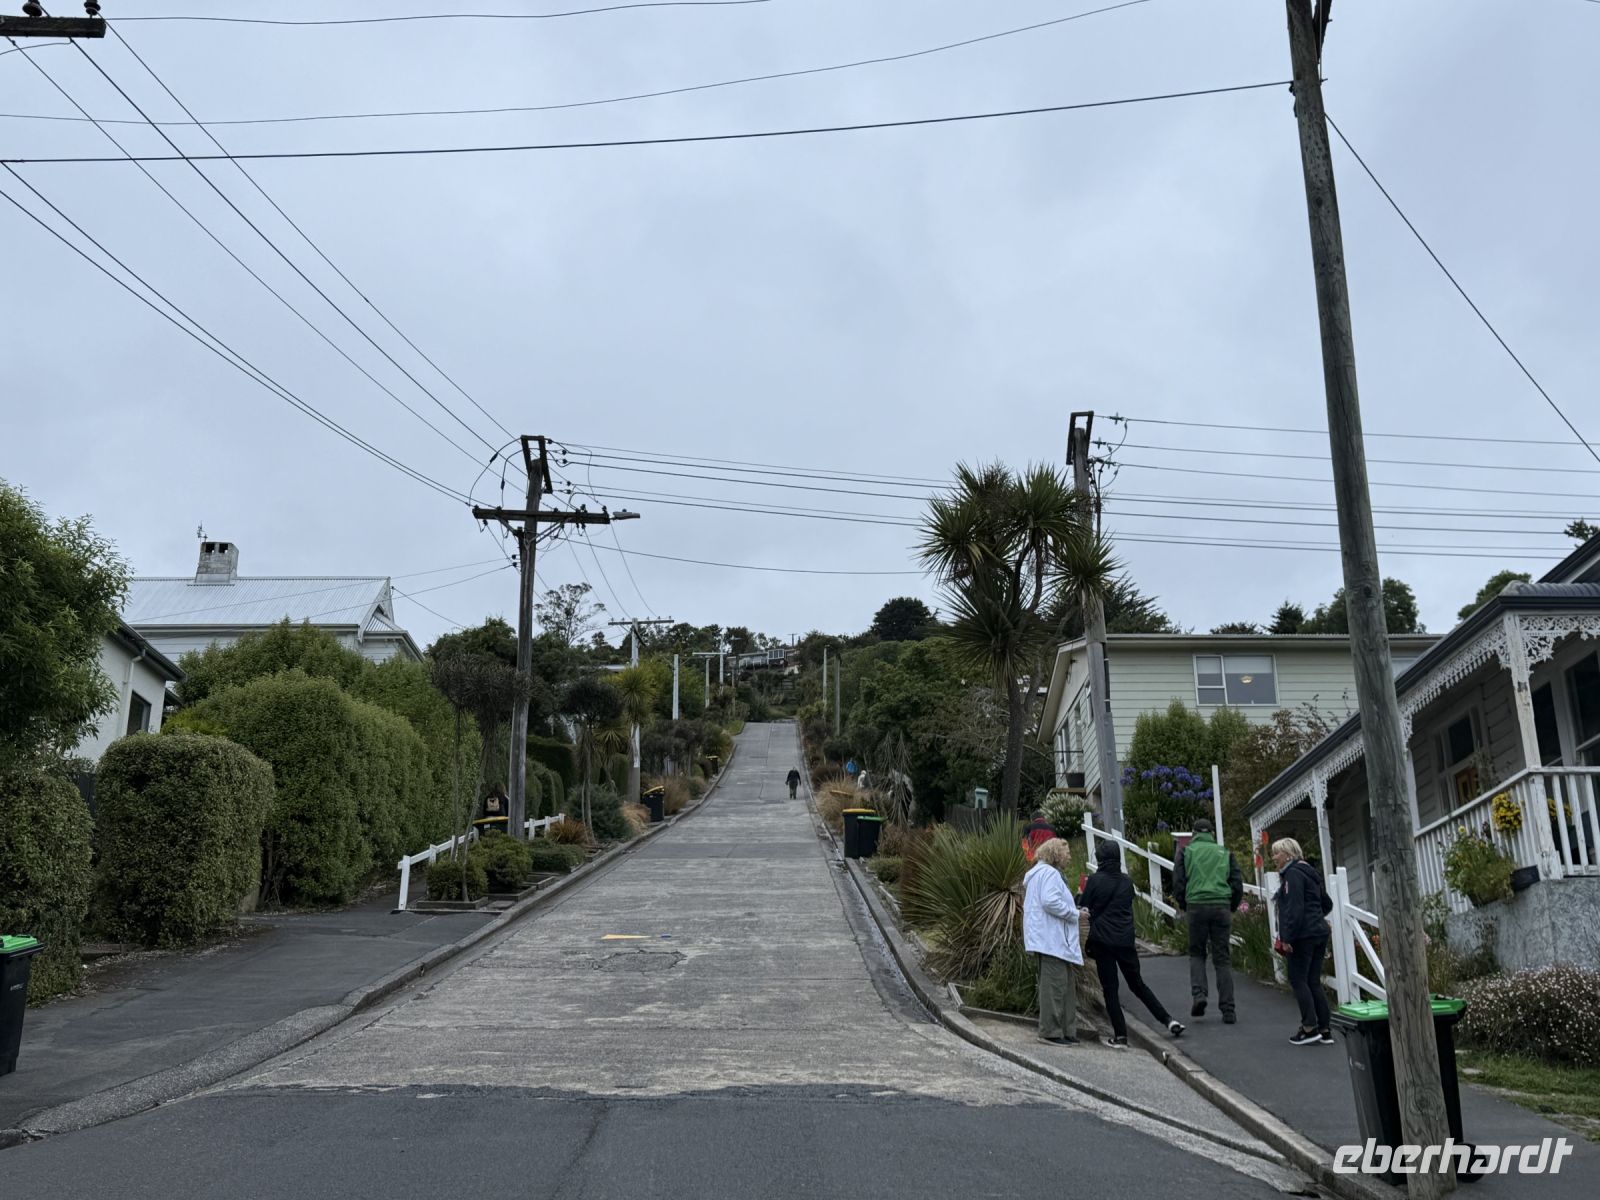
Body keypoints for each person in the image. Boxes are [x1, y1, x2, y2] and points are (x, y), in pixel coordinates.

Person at [1078, 839, 1186, 1048]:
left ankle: (1121, 1036)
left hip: (1103, 942)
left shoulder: (1095, 881)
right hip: (1125, 940)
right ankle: (1168, 1020)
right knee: (1137, 984)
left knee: (1110, 989)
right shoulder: (1127, 882)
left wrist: (1080, 896)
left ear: (1100, 858)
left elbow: (1084, 907)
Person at [1172, 817, 1243, 1023]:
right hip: (1221, 906)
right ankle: (1228, 1009)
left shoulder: (1186, 852)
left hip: (1196, 906)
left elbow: (1179, 881)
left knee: (1197, 953)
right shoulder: (1225, 853)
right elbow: (1236, 882)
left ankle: (1199, 995)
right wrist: (1232, 906)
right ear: (1212, 834)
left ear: (1194, 834)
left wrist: (1184, 904)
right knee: (1222, 958)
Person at [1272, 837, 1334, 1046]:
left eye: (1277, 853)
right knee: (1313, 980)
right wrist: (1316, 917)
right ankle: (1324, 1028)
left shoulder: (1293, 875)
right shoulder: (1310, 873)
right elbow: (1327, 903)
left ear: (1288, 854)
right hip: (1319, 932)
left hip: (1303, 935)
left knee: (1298, 979)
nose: (1274, 858)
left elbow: (1294, 908)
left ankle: (1309, 1027)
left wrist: (1288, 937)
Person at [1023, 838, 1082, 1045]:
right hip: (1051, 940)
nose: (1069, 857)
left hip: (1050, 940)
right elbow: (1050, 901)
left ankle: (1065, 1030)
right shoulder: (1049, 874)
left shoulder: (1042, 873)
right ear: (1056, 854)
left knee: (1063, 986)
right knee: (1054, 988)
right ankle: (1050, 1032)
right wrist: (1074, 914)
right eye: (1066, 853)